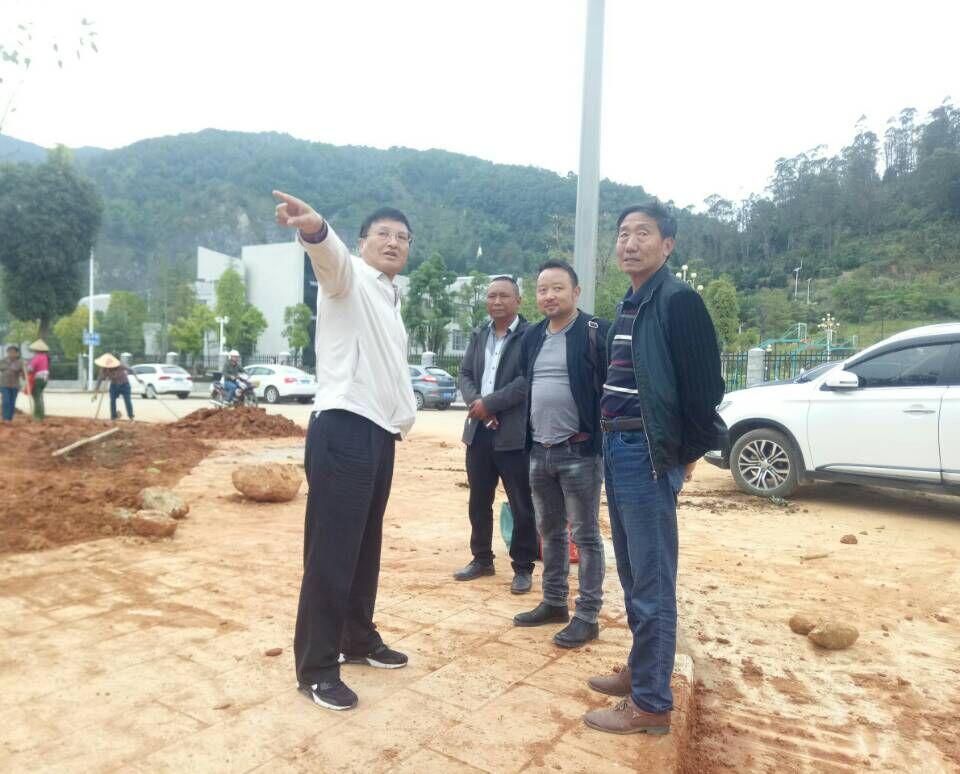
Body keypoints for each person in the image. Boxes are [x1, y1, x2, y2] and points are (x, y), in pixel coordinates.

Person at [583, 201, 725, 735]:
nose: (630, 243)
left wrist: (685, 454)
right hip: (617, 448)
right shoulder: (632, 302)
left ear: (668, 245)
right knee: (632, 572)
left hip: (645, 452)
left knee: (652, 580)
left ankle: (650, 704)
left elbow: (705, 389)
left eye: (643, 233)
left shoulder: (678, 301)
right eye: (623, 233)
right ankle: (641, 670)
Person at [274, 189, 416, 713]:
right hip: (344, 425)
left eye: (402, 237)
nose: (393, 242)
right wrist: (316, 230)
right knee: (332, 552)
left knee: (364, 545)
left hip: (379, 432)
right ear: (361, 243)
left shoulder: (390, 298)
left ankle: (357, 637)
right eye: (383, 234)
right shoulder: (348, 275)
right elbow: (328, 258)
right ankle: (315, 668)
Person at [513, 260, 611, 649]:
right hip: (540, 450)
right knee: (549, 532)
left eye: (557, 288)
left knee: (585, 536)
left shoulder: (596, 332)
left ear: (576, 292)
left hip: (580, 451)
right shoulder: (532, 336)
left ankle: (587, 615)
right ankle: (554, 602)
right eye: (542, 290)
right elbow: (527, 384)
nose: (549, 296)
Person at [455, 276, 538, 593]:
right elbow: (465, 374)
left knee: (521, 503)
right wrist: (477, 404)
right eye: (492, 296)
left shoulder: (530, 336)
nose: (497, 301)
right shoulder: (479, 334)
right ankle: (481, 559)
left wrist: (489, 404)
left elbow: (526, 380)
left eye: (504, 295)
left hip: (513, 434)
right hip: (478, 433)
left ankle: (523, 567)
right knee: (478, 500)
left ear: (518, 300)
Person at [93, 353, 143, 421]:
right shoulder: (104, 369)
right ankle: (113, 417)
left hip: (124, 385)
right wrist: (96, 393)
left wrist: (137, 379)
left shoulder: (120, 365)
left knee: (127, 400)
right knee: (112, 401)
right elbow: (99, 379)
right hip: (114, 386)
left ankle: (131, 416)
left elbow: (131, 370)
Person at [26, 339, 50, 422]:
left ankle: (37, 416)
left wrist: (26, 366)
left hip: (38, 379)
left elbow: (30, 369)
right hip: (44, 379)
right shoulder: (45, 357)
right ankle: (41, 414)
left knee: (36, 397)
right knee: (39, 397)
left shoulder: (37, 357)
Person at [0, 345, 24, 422]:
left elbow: (23, 375)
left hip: (15, 385)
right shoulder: (3, 361)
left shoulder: (20, 362)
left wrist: (24, 369)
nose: (11, 354)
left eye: (13, 352)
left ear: (16, 353)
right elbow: (4, 368)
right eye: (10, 352)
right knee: (6, 401)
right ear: (7, 353)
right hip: (4, 384)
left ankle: (9, 418)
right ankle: (5, 418)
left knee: (12, 402)